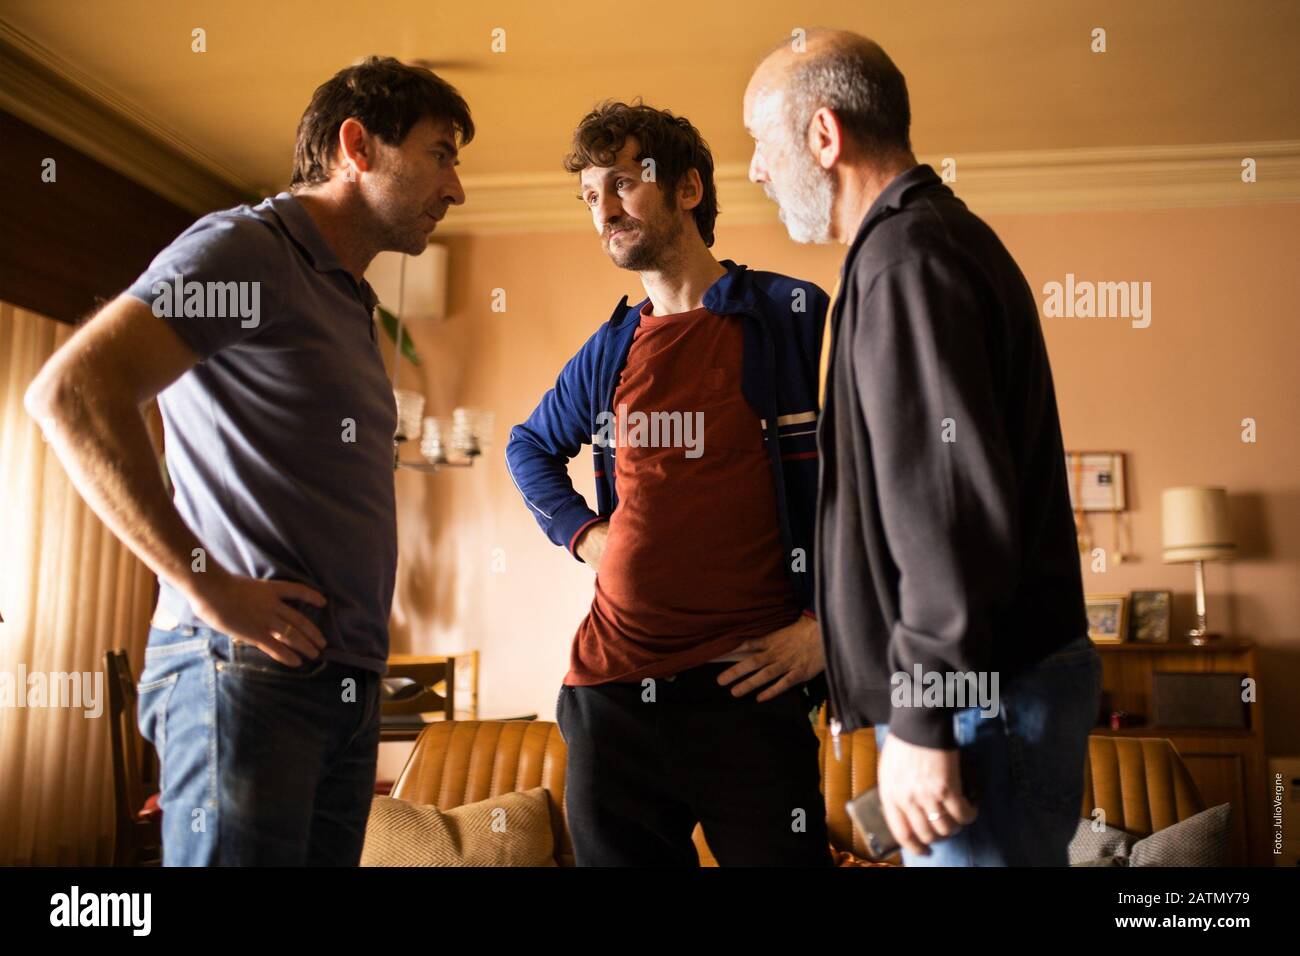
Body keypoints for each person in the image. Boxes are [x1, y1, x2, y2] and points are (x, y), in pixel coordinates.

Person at [24, 56, 471, 865]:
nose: (456, 188)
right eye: (442, 154)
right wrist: (202, 581)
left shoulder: (343, 296)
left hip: (342, 682)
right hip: (247, 677)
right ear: (357, 147)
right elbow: (73, 392)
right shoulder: (247, 252)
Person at [745, 30, 1101, 866]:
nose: (756, 170)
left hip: (983, 698)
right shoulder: (920, 245)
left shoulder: (907, 259)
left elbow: (948, 511)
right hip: (989, 692)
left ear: (823, 137)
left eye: (762, 144)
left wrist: (925, 715)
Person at [506, 101, 833, 866]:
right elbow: (528, 447)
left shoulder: (790, 316)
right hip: (611, 693)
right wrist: (586, 536)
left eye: (623, 183)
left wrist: (828, 628)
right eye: (591, 196)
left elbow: (873, 484)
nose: (604, 210)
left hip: (750, 690)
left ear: (688, 189)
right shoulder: (612, 347)